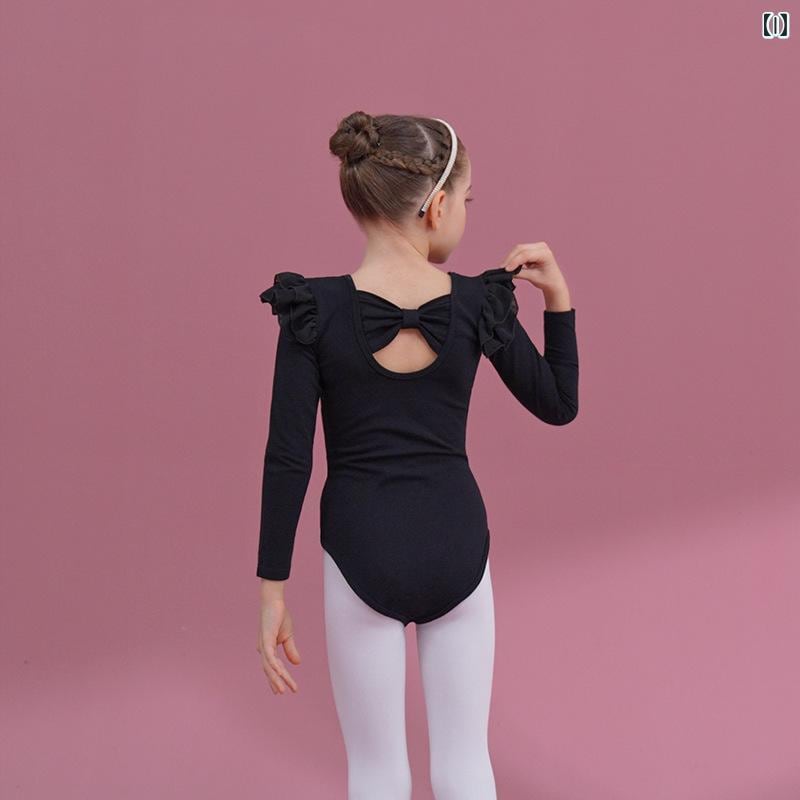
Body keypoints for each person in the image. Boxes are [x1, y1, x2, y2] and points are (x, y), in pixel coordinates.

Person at [255, 111, 579, 800]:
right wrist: (558, 298)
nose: (465, 214)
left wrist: (271, 588)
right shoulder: (478, 304)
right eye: (467, 199)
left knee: (376, 773)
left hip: (359, 546)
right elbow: (558, 403)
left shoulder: (312, 309)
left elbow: (288, 459)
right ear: (435, 206)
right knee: (465, 764)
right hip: (455, 542)